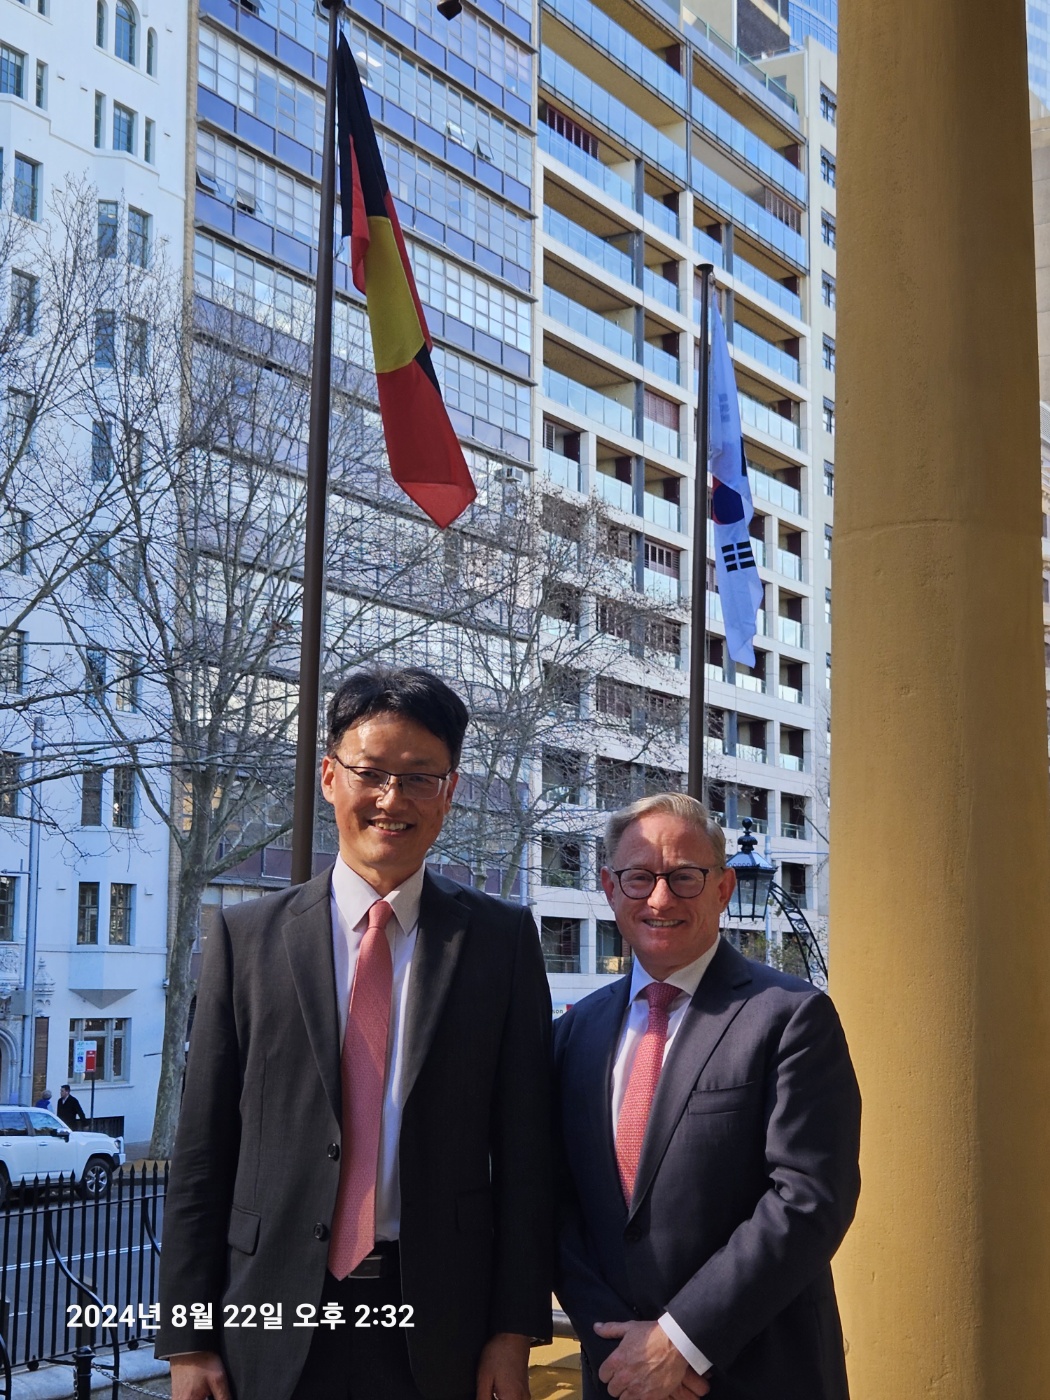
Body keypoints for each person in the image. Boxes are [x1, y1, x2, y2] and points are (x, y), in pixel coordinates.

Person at [157, 665, 552, 1400]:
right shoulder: (246, 939)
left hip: (442, 1323)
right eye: (370, 773)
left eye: (419, 778)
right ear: (330, 777)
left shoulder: (499, 942)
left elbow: (528, 1153)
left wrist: (513, 1331)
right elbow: (203, 1152)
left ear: (451, 791)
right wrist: (187, 1341)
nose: (391, 800)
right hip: (269, 1319)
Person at [554, 793, 861, 1400]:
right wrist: (620, 1348)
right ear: (609, 887)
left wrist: (681, 1339)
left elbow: (808, 1199)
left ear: (722, 888)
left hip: (758, 1372)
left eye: (684, 878)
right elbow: (552, 1204)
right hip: (617, 1376)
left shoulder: (791, 1018)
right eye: (640, 877)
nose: (660, 898)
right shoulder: (571, 1034)